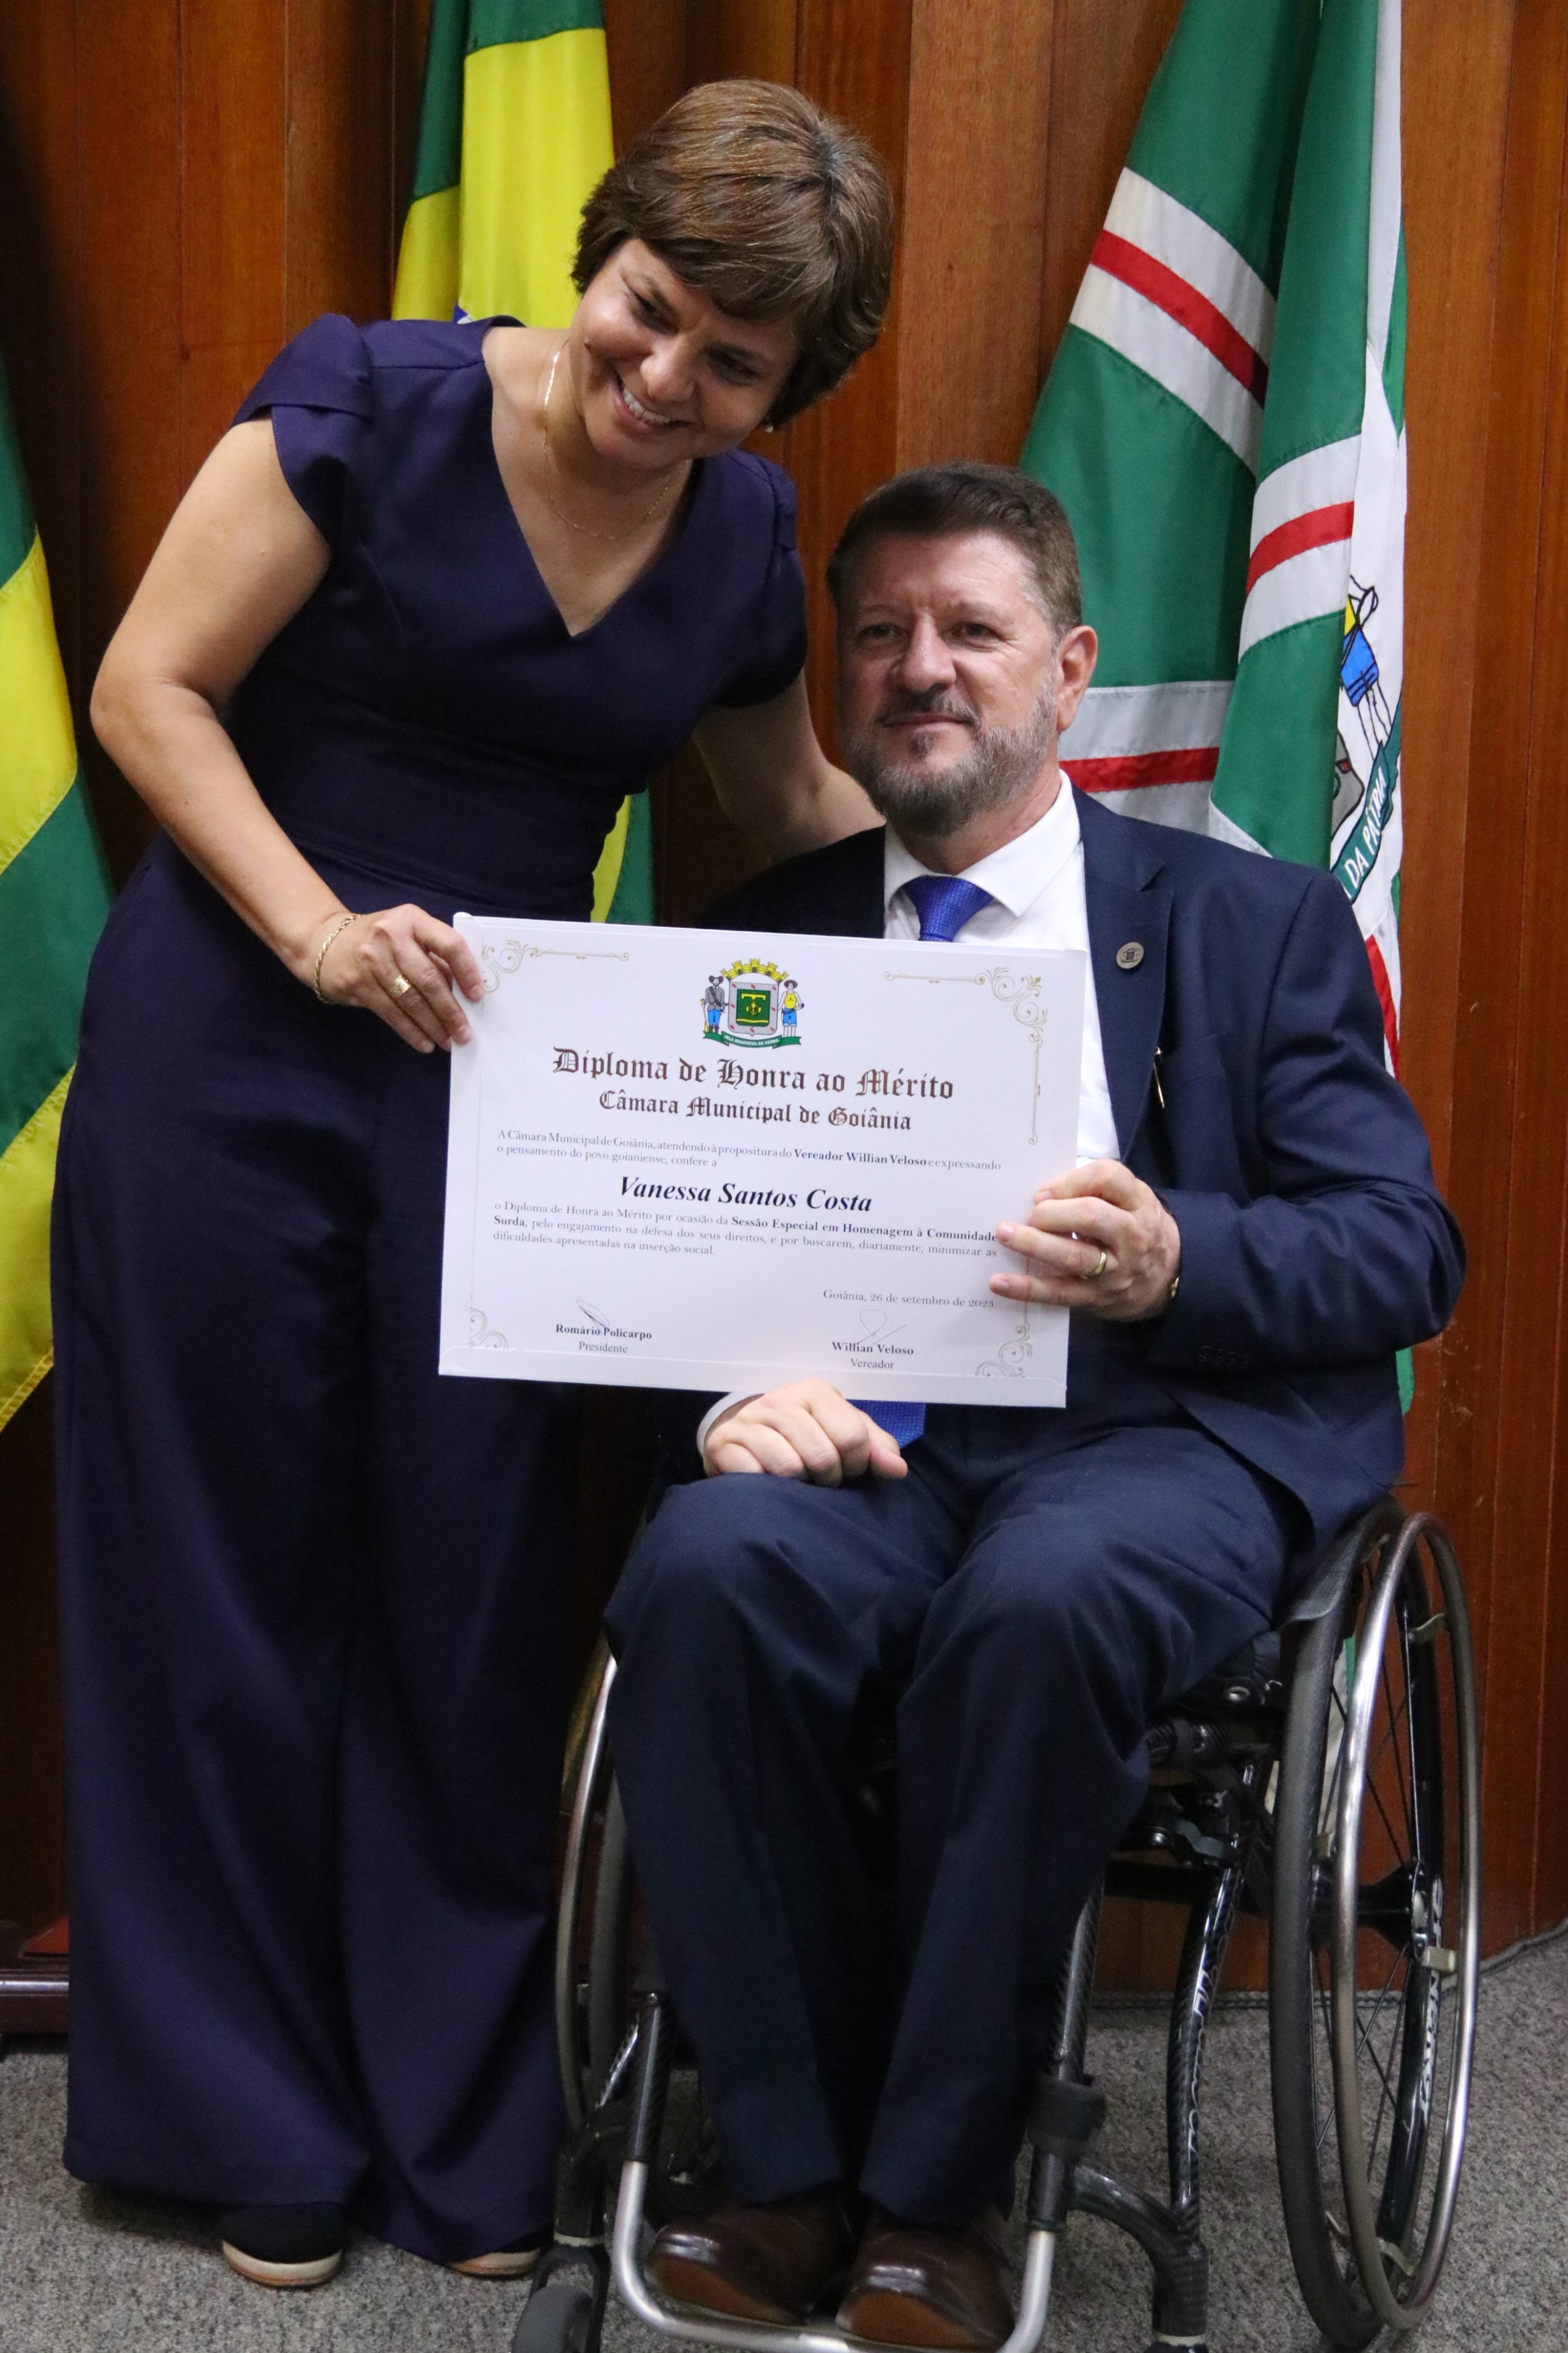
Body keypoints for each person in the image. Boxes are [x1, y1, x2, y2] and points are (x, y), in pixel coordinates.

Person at [54, 82, 892, 2292]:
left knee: (475, 1595)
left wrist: (1011, 911)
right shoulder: (370, 403)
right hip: (233, 1045)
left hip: (522, 1110)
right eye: (650, 309)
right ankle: (242, 2119)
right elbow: (148, 689)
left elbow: (785, 809)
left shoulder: (738, 539)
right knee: (223, 1579)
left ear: (788, 391)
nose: (664, 377)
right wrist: (324, 932)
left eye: (732, 363)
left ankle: (454, 2126)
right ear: (601, 253)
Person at [604, 462, 1465, 2351]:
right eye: (881, 634)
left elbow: (1405, 1252)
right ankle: (784, 2171)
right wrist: (719, 1393)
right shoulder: (761, 938)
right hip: (869, 1444)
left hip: (1156, 1437)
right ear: (840, 676)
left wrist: (1178, 1260)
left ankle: (941, 2197)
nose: (922, 668)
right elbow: (647, 1243)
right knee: (701, 1571)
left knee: (1043, 1605)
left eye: (971, 630)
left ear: (1068, 670)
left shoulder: (1253, 926)